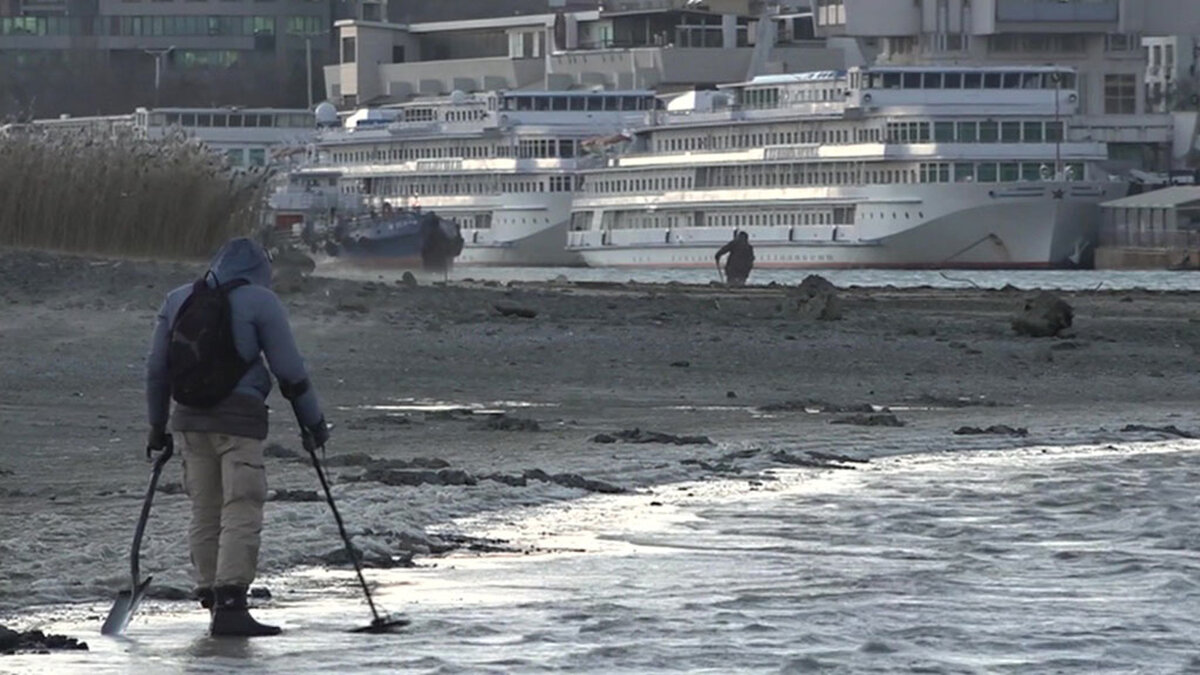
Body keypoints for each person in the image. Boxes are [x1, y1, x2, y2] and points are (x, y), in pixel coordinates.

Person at [145, 237, 329, 637]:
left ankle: (212, 597)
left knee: (205, 507)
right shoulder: (260, 301)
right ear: (260, 270)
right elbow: (290, 372)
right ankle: (232, 605)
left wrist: (157, 428)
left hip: (189, 421)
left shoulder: (178, 299)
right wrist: (312, 424)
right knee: (241, 504)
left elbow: (157, 370)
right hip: (239, 423)